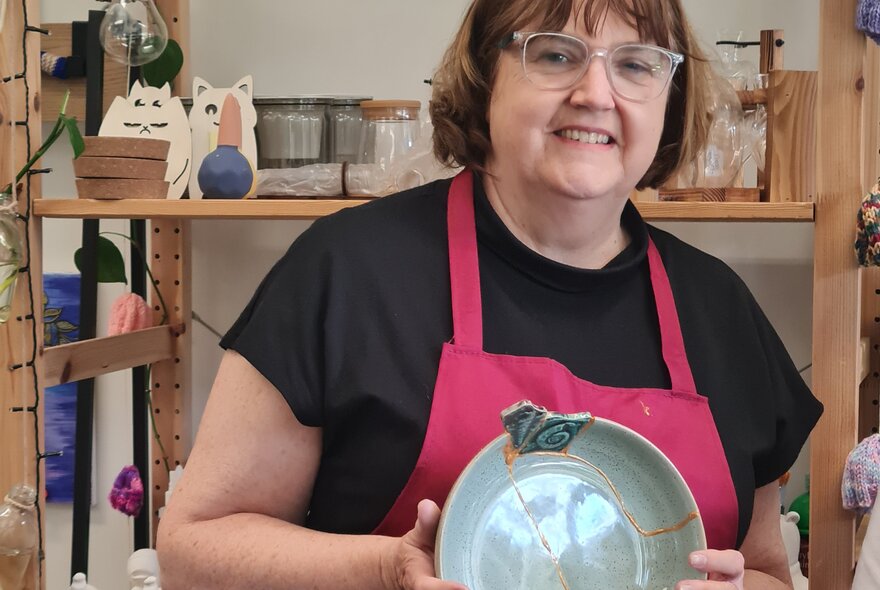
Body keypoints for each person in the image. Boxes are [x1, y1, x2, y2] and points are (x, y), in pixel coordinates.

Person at [157, 0, 823, 588]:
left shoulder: (722, 312)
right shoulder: (351, 273)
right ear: (485, 77)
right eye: (557, 54)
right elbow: (192, 550)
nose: (596, 93)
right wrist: (382, 571)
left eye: (636, 64)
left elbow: (765, 569)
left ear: (670, 97)